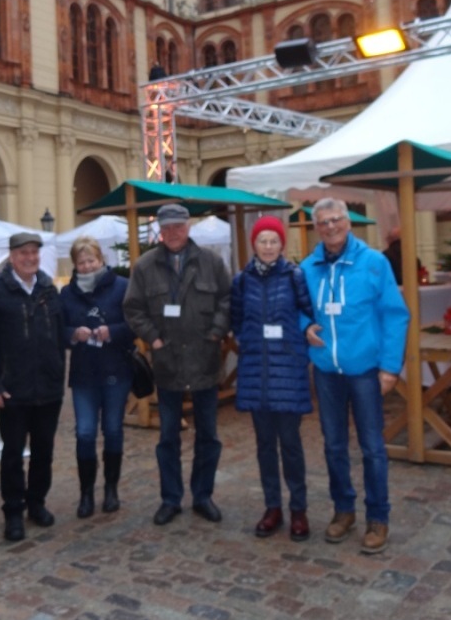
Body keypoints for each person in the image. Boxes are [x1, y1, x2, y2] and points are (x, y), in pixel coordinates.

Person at [301, 198, 410, 554]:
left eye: (336, 220)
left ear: (348, 222)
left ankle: (378, 517)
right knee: (333, 445)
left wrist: (390, 366)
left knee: (372, 447)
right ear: (316, 228)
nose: (330, 227)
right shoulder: (307, 269)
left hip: (365, 371)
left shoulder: (375, 264)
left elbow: (395, 315)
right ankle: (343, 509)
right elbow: (296, 311)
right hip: (327, 371)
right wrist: (305, 329)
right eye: (323, 222)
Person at [123, 203, 231, 526]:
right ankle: (170, 498)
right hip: (167, 363)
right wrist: (153, 339)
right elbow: (132, 308)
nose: (172, 233)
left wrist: (215, 333)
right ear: (160, 230)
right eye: (166, 228)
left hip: (205, 361)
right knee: (168, 437)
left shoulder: (211, 262)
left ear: (188, 227)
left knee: (208, 435)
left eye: (178, 227)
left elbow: (227, 300)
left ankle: (203, 496)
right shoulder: (145, 266)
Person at [0, 232, 65, 542]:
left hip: (48, 388)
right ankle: (13, 510)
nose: (30, 258)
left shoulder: (49, 288)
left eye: (34, 252)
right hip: (13, 388)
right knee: (12, 454)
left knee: (44, 451)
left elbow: (60, 333)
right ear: (12, 256)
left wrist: (58, 371)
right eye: (23, 253)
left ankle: (36, 503)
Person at [231, 216, 315, 542]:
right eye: (262, 241)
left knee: (291, 445)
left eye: (273, 241)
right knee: (265, 446)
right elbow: (237, 320)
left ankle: (299, 509)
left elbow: (308, 314)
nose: (268, 246)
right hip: (256, 372)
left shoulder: (295, 276)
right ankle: (272, 507)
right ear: (254, 244)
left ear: (282, 244)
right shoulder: (241, 281)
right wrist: (251, 345)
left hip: (288, 371)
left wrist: (294, 348)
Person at [60, 236, 135, 519]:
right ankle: (86, 493)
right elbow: (59, 329)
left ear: (101, 260)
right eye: (82, 262)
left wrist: (112, 331)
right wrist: (72, 334)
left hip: (116, 371)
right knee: (85, 432)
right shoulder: (67, 294)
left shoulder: (121, 287)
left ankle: (111, 489)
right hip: (84, 375)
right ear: (76, 265)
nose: (88, 265)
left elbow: (134, 324)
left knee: (113, 430)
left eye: (91, 260)